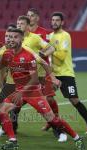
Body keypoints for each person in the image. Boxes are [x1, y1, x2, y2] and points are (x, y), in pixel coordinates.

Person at [0, 28, 85, 150]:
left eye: (15, 37)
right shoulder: (6, 53)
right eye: (9, 37)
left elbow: (34, 79)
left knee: (52, 119)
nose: (11, 39)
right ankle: (12, 141)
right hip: (17, 90)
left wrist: (22, 92)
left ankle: (77, 138)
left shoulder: (28, 56)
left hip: (33, 92)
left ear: (22, 39)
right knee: (1, 110)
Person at [47, 12, 87, 134]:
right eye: (53, 20)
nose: (54, 22)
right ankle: (53, 123)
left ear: (62, 22)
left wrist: (49, 51)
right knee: (48, 98)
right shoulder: (49, 36)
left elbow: (62, 56)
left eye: (57, 20)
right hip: (53, 74)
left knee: (74, 100)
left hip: (66, 73)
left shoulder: (65, 36)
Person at [27, 8, 67, 142]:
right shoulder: (22, 34)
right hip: (26, 73)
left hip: (42, 72)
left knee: (49, 99)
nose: (29, 18)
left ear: (37, 18)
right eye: (28, 16)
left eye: (32, 16)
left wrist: (39, 57)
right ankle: (9, 128)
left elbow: (48, 49)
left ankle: (54, 122)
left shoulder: (43, 33)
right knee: (20, 103)